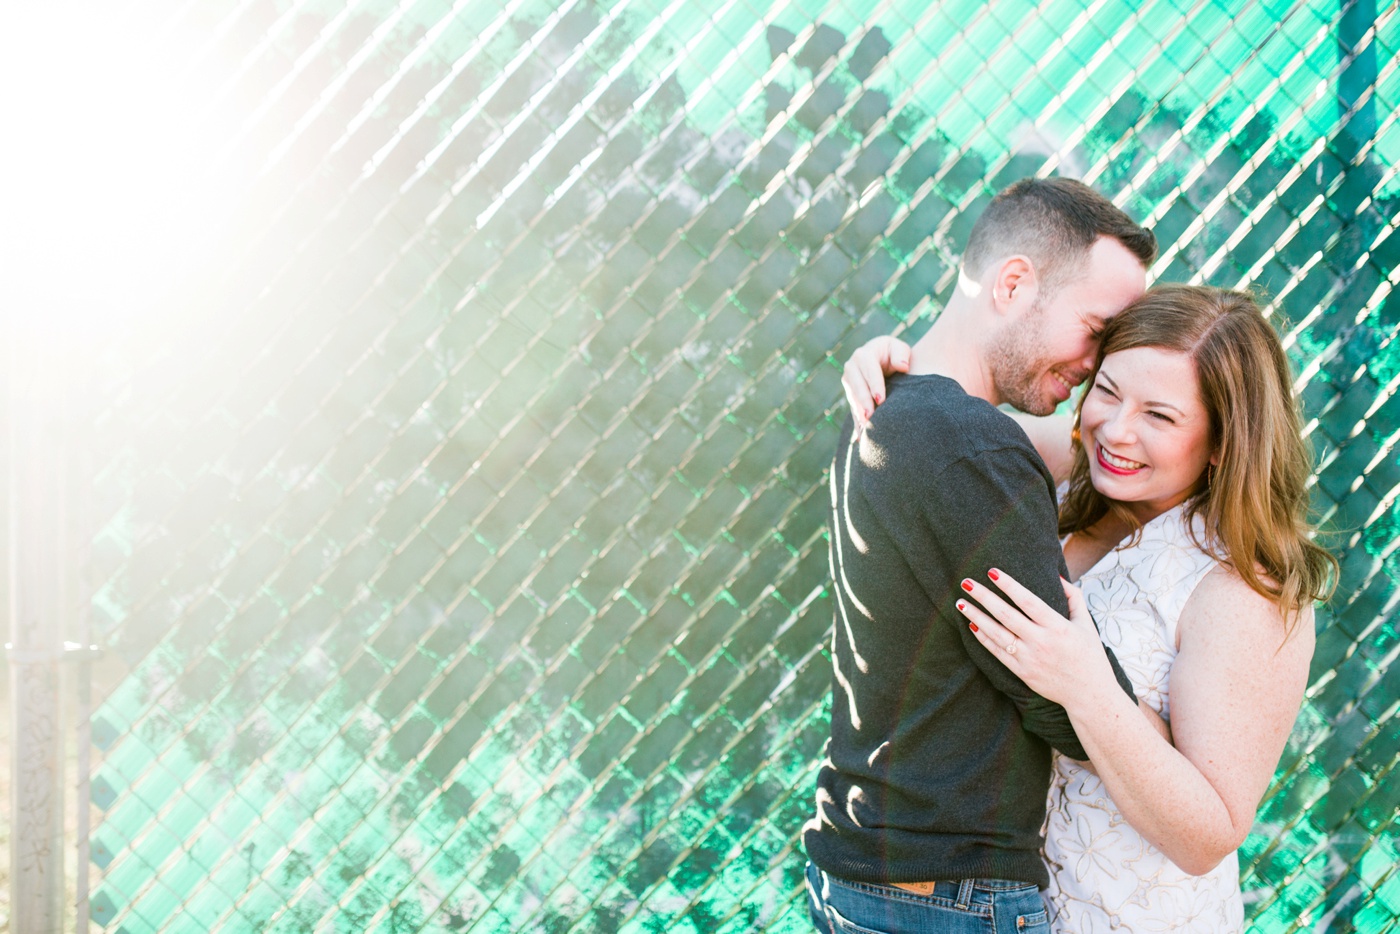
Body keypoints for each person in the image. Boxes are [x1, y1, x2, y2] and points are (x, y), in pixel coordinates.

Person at [843, 284, 1337, 932]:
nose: (1116, 427)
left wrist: (1085, 685)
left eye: (1159, 416)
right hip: (1004, 908)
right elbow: (944, 422)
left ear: (1222, 440)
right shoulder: (1077, 469)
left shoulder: (1242, 588)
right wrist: (893, 366)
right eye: (1107, 389)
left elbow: (1208, 834)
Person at [801, 177, 1157, 934]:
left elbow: (1092, 451)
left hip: (876, 870)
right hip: (946, 895)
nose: (1095, 364)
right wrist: (1159, 739)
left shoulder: (892, 408)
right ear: (1014, 283)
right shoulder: (967, 444)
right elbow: (1059, 697)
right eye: (1096, 329)